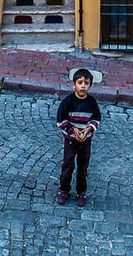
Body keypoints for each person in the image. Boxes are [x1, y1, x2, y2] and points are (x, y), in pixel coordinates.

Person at [55, 67, 101, 206]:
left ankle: (81, 191)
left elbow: (96, 119)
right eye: (80, 82)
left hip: (85, 141)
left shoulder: (92, 103)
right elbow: (61, 121)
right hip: (70, 140)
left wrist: (88, 130)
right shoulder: (67, 102)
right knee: (68, 165)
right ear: (74, 84)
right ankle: (64, 190)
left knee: (83, 167)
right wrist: (73, 130)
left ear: (90, 86)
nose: (83, 85)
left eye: (86, 83)